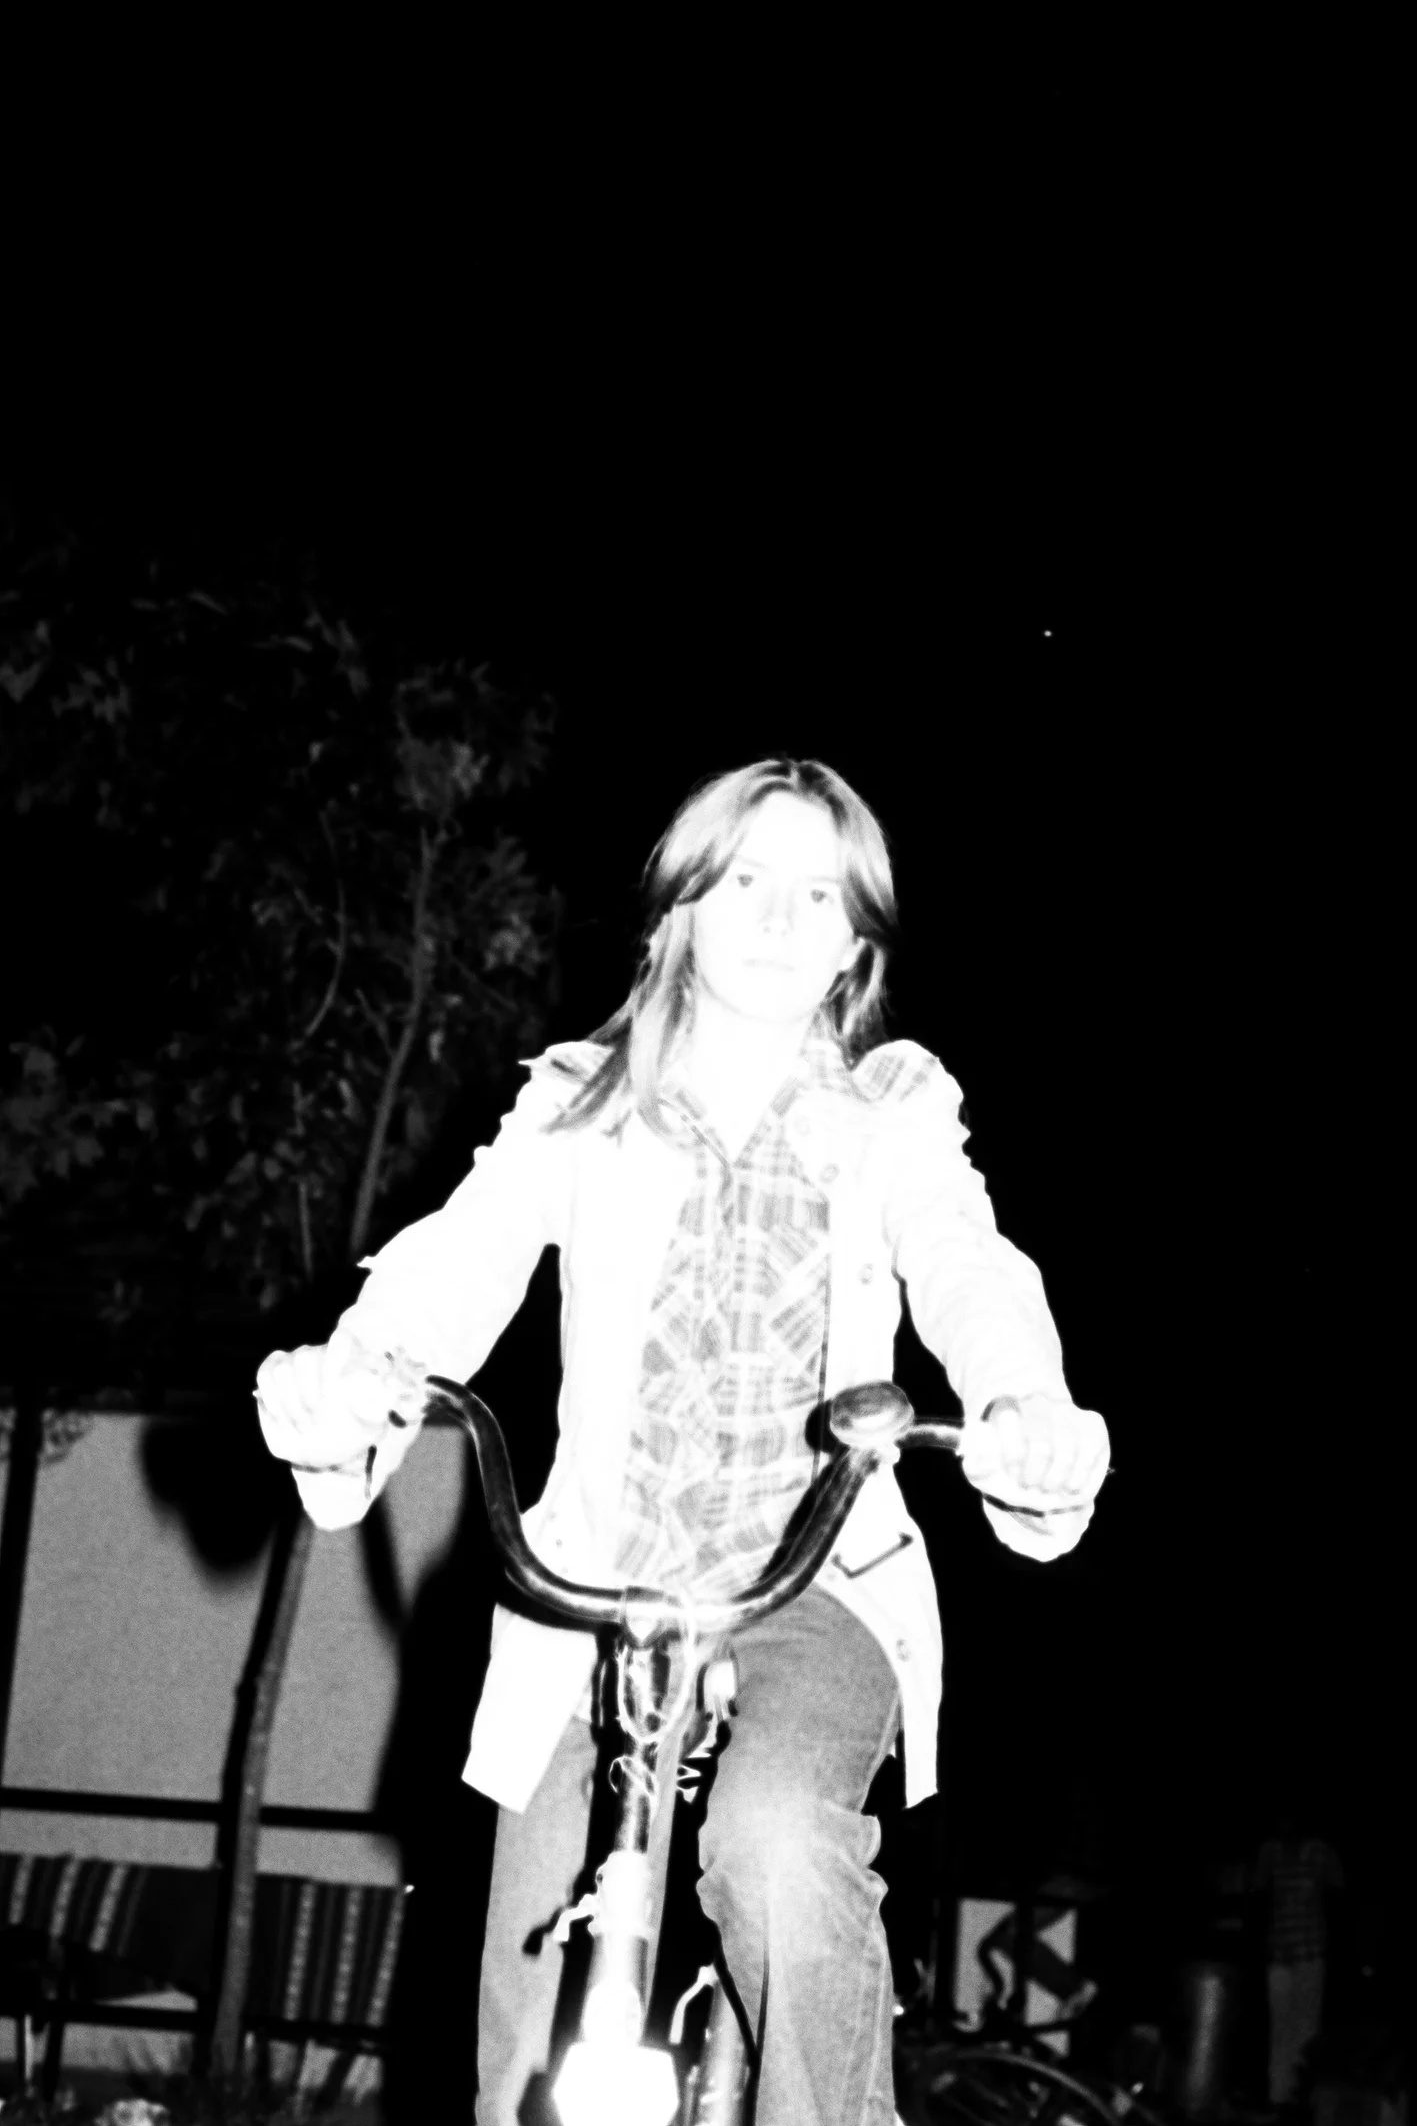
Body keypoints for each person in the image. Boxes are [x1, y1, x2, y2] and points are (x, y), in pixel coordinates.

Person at [254, 756, 1112, 2126]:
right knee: (525, 2016)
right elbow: (461, 1256)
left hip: (815, 1586)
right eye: (746, 880)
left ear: (854, 943)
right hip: (599, 1589)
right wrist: (355, 1375)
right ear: (681, 911)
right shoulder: (578, 1102)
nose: (777, 919)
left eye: (818, 895)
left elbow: (968, 1264)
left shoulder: (890, 1113)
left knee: (776, 1838)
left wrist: (1024, 1405)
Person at [1251, 1804, 1346, 2110]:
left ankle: (1301, 2097)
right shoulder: (1270, 1851)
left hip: (1311, 1949)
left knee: (1306, 2027)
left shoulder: (1320, 1851)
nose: (1285, 1825)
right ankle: (1278, 2096)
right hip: (1279, 1952)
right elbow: (1259, 1895)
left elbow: (1338, 1894)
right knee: (1280, 2027)